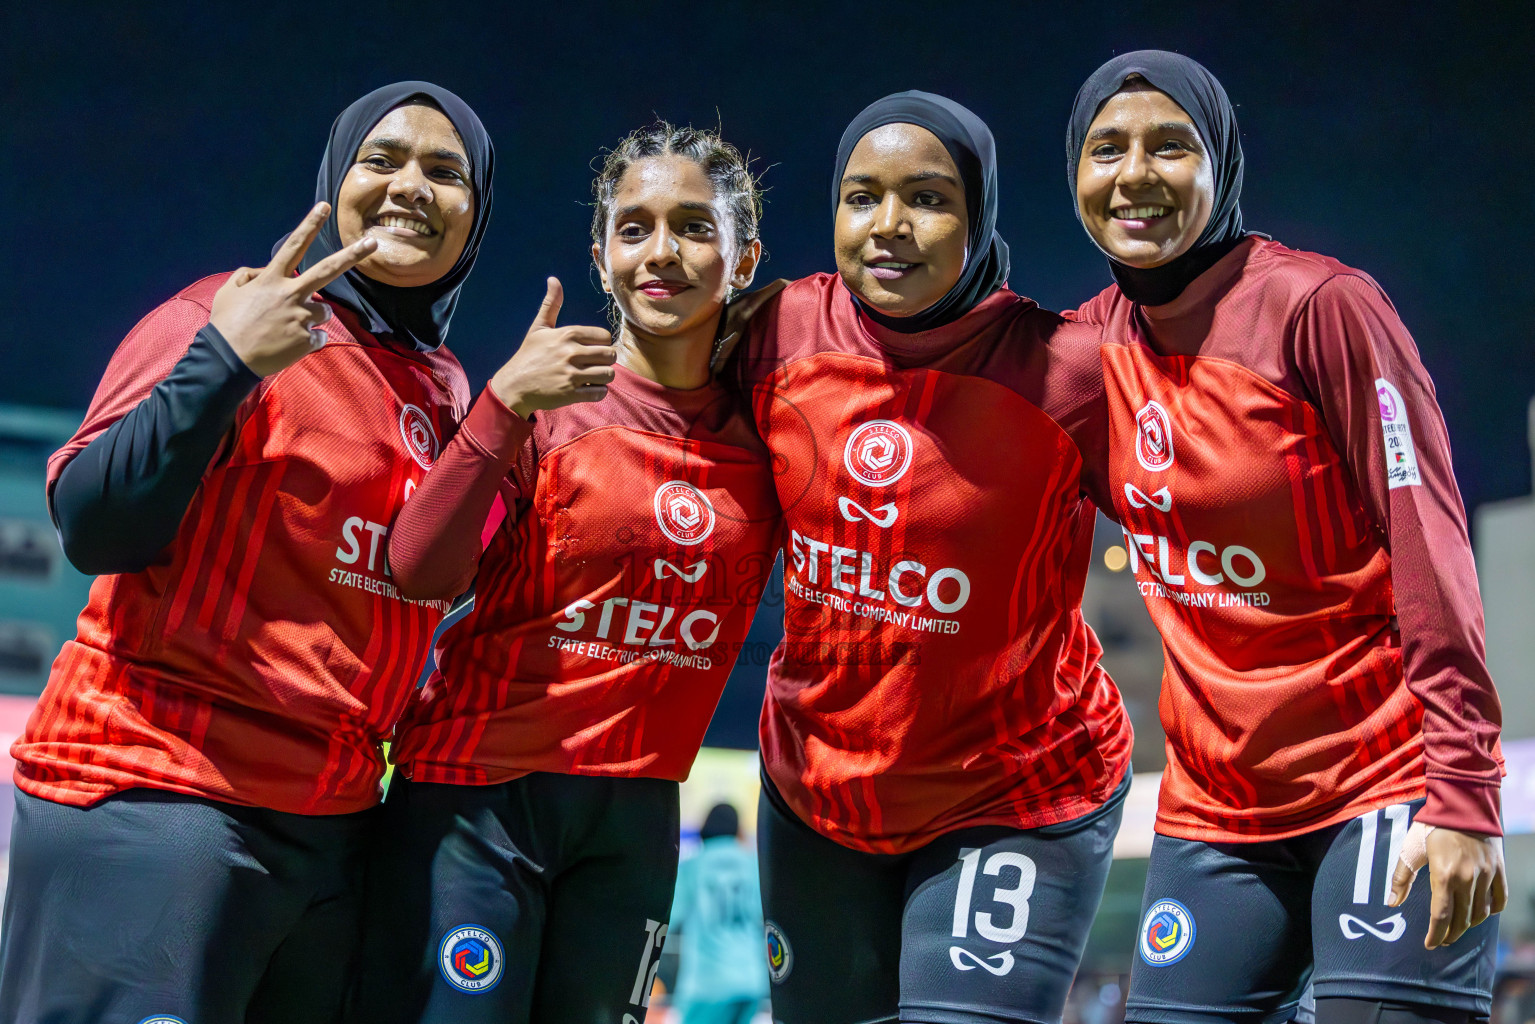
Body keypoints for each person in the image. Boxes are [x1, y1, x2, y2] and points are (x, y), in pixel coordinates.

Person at [0, 81, 493, 1024]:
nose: (410, 188)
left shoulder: (441, 386)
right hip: (156, 795)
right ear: (333, 180)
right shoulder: (223, 311)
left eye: (445, 172)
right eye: (379, 162)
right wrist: (225, 360)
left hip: (331, 822)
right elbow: (95, 527)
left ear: (477, 217)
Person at [1065, 51, 1506, 1023]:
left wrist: (1463, 788)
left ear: (1219, 162)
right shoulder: (1086, 351)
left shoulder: (1319, 308)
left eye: (1168, 145)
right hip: (1214, 810)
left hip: (1382, 776)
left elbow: (1427, 543)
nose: (1132, 172)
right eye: (1105, 149)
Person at [353, 121, 781, 1024]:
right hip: (477, 806)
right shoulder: (546, 407)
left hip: (637, 818)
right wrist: (504, 405)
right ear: (600, 255)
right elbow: (420, 571)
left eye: (695, 227)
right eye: (633, 228)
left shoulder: (772, 438)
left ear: (743, 261)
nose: (660, 252)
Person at [726, 91, 1133, 1024]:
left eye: (927, 198)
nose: (889, 227)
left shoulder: (1065, 373)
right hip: (815, 791)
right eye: (861, 197)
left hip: (1015, 790)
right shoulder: (773, 334)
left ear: (979, 213)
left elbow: (1200, 526)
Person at [668, 803, 770, 1024]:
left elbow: (668, 918)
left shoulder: (692, 867)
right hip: (750, 980)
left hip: (706, 985)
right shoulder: (753, 865)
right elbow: (763, 916)